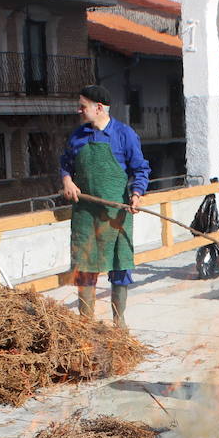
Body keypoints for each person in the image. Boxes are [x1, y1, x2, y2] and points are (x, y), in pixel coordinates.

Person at [59, 84, 150, 326]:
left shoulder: (124, 134)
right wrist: (67, 180)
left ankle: (119, 324)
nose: (79, 111)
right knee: (85, 268)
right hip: (85, 214)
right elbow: (65, 164)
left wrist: (137, 194)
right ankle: (86, 326)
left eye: (83, 106)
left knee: (120, 267)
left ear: (98, 108)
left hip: (115, 213)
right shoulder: (78, 136)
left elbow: (140, 169)